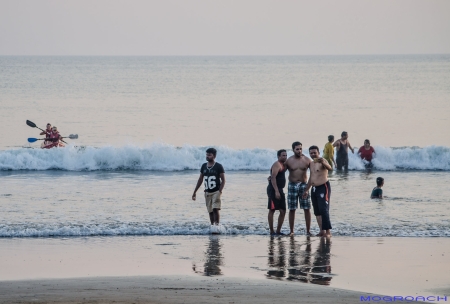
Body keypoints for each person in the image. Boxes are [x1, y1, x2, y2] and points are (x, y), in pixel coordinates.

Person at [192, 148, 226, 233]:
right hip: (207, 192)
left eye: (209, 155)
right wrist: (194, 192)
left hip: (216, 191)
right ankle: (212, 227)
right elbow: (200, 180)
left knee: (215, 209)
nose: (207, 156)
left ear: (214, 156)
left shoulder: (218, 166)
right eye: (207, 154)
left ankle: (217, 227)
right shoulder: (204, 166)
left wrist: (220, 191)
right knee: (210, 211)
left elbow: (223, 180)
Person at [302, 146, 332, 237]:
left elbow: (330, 168)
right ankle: (321, 231)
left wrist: (323, 162)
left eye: (315, 152)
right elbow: (311, 177)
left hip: (323, 187)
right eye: (311, 153)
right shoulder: (311, 163)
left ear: (318, 152)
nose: (313, 154)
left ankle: (328, 232)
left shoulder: (323, 160)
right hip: (314, 189)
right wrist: (306, 190)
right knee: (317, 211)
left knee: (324, 210)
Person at [285, 142, 312, 236]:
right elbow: (280, 169)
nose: (299, 151)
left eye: (300, 148)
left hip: (304, 185)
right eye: (297, 149)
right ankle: (292, 231)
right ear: (293, 150)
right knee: (292, 209)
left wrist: (309, 187)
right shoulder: (289, 160)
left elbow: (315, 172)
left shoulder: (307, 160)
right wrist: (272, 176)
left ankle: (308, 231)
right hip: (292, 185)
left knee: (307, 208)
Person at [267, 149, 288, 236]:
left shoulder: (284, 165)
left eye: (286, 155)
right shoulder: (277, 164)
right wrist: (276, 191)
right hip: (273, 189)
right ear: (278, 156)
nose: (285, 157)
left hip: (280, 189)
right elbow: (273, 177)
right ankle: (272, 231)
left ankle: (278, 231)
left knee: (283, 211)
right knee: (272, 210)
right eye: (283, 155)